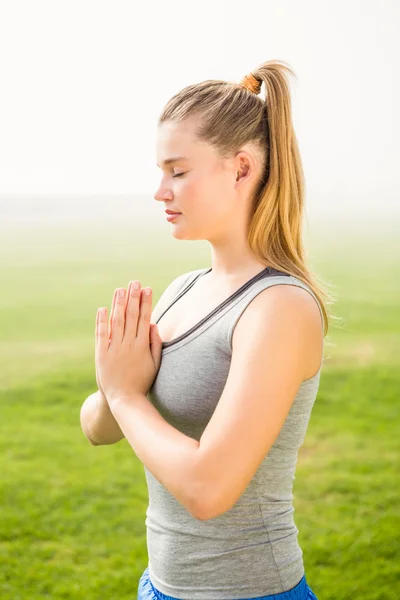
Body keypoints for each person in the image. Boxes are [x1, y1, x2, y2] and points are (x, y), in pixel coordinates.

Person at [83, 59, 335, 600]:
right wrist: (114, 387)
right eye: (160, 172)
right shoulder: (182, 290)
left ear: (241, 168)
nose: (160, 191)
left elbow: (208, 489)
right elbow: (98, 428)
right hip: (159, 588)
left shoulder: (279, 307)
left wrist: (126, 393)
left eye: (177, 171)